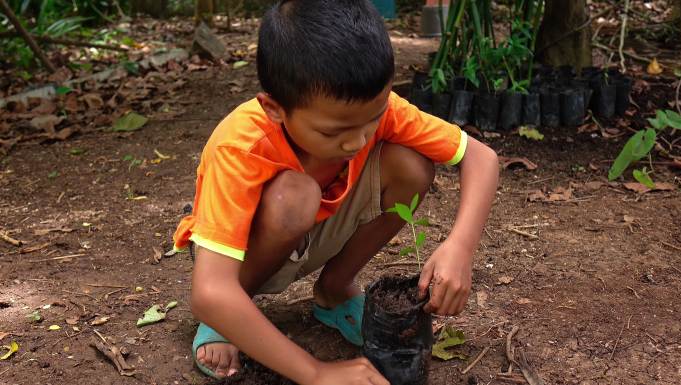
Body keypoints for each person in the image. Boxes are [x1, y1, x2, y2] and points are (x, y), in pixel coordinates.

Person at [172, 0, 499, 384]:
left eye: (372, 120)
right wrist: (316, 373)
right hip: (242, 255)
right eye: (332, 132)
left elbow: (481, 158)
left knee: (411, 165)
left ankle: (335, 290)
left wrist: (459, 247)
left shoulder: (369, 108)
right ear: (274, 109)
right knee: (294, 196)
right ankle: (229, 318)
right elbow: (209, 290)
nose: (357, 141)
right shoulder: (241, 145)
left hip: (316, 231)